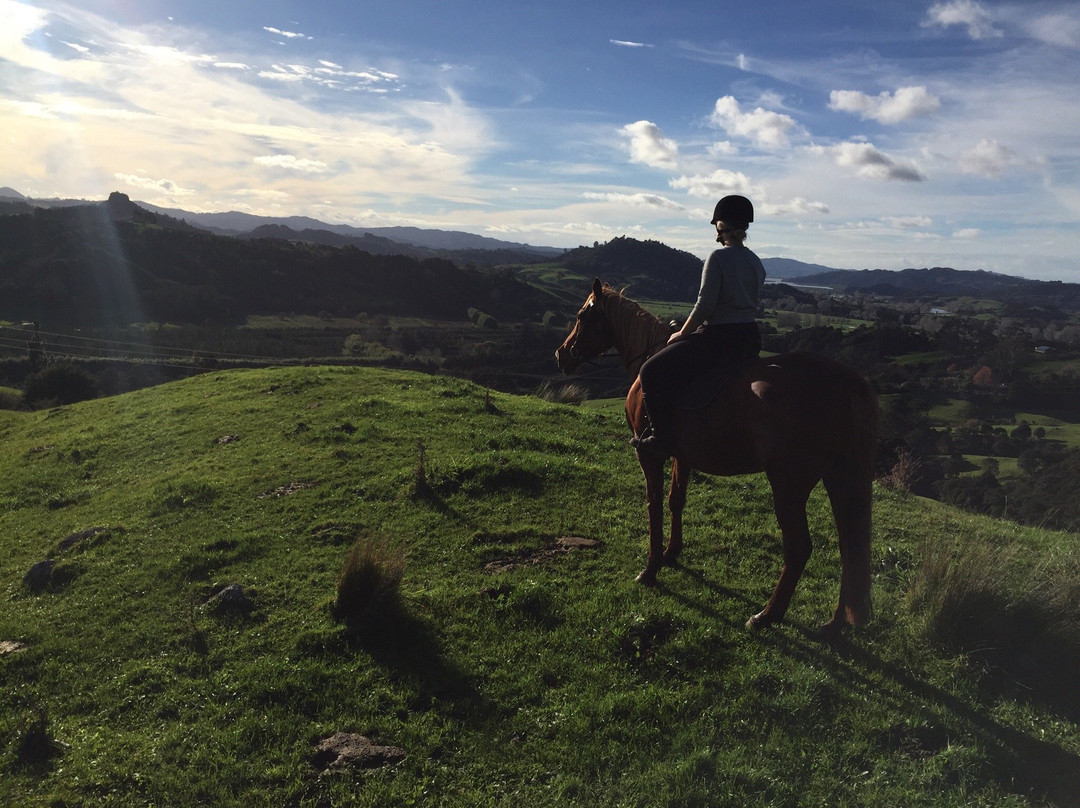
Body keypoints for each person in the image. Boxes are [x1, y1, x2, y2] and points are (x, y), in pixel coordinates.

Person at [632, 195, 766, 458]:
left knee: (649, 371)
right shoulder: (755, 262)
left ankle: (661, 438)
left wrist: (683, 333)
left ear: (721, 226)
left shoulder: (717, 257)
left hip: (719, 337)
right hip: (749, 337)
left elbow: (705, 305)